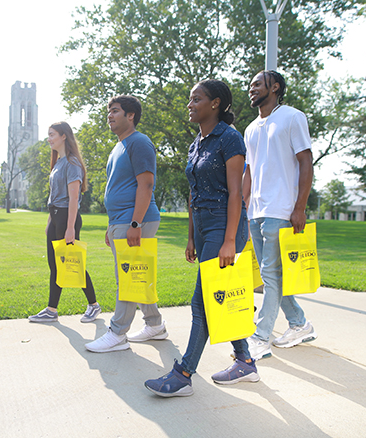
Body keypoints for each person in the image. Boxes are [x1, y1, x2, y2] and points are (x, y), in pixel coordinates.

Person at [145, 80, 260, 397]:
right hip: (203, 226)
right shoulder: (198, 142)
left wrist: (228, 241)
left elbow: (236, 193)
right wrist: (191, 236)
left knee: (203, 302)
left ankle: (183, 373)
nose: (189, 104)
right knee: (218, 295)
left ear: (216, 104)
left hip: (226, 225)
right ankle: (246, 361)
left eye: (196, 99)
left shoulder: (230, 139)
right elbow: (195, 193)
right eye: (190, 99)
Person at [242, 70, 317, 360]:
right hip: (257, 212)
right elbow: (249, 171)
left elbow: (306, 162)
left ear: (274, 87)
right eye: (250, 86)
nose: (252, 89)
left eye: (257, 84)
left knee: (270, 275)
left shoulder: (292, 117)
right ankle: (299, 323)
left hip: (281, 209)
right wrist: (246, 207)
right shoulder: (251, 128)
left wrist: (299, 207)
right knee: (271, 275)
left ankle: (260, 338)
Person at [85, 95, 167, 353]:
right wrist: (111, 226)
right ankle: (155, 325)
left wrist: (135, 223)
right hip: (120, 221)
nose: (109, 115)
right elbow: (116, 187)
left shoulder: (139, 142)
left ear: (130, 115)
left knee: (128, 277)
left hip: (137, 220)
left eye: (115, 111)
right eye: (109, 111)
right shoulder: (118, 147)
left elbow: (146, 184)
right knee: (137, 276)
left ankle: (118, 333)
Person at [29, 122, 101, 323]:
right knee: (54, 265)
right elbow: (54, 196)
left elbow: (73, 197)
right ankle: (52, 310)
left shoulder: (72, 163)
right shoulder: (58, 162)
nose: (49, 138)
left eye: (52, 134)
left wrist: (69, 227)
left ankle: (94, 305)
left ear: (63, 136)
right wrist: (49, 221)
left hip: (67, 218)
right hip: (56, 217)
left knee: (72, 262)